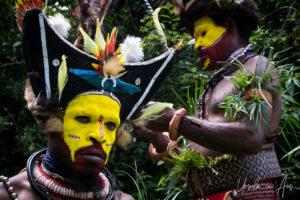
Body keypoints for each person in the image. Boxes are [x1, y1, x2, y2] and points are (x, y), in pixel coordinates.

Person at [0, 0, 174, 199]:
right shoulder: (9, 194)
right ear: (50, 123)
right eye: (83, 119)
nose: (99, 136)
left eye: (110, 125)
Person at [134, 0, 282, 199]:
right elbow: (194, 160)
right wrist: (154, 135)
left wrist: (177, 121)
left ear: (229, 26)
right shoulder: (213, 86)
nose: (197, 44)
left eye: (203, 33)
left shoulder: (258, 67)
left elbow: (251, 137)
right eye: (195, 38)